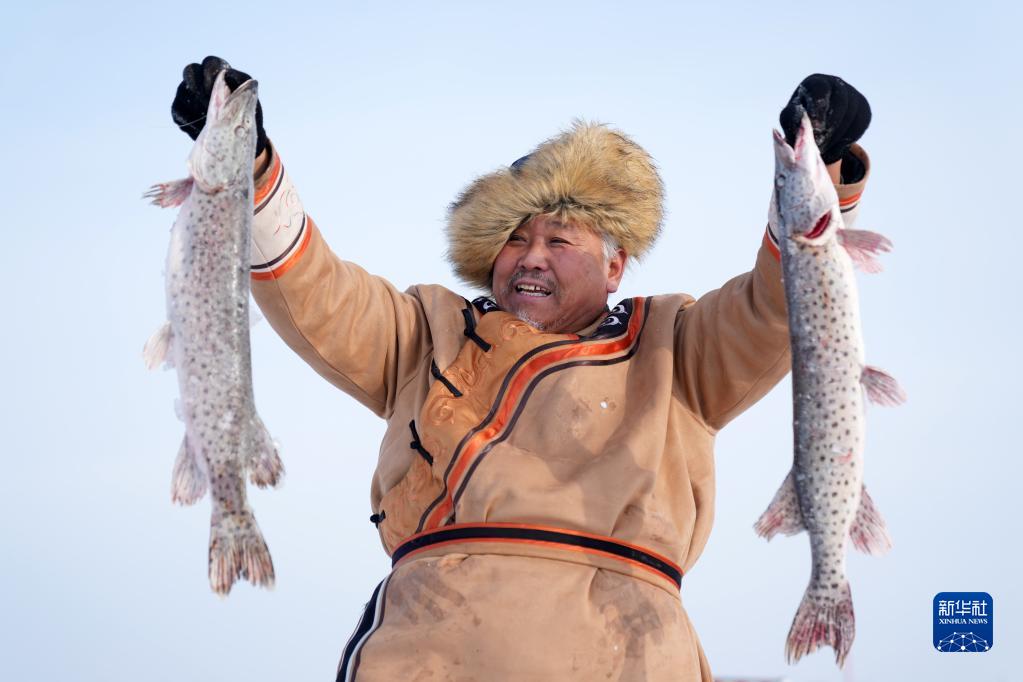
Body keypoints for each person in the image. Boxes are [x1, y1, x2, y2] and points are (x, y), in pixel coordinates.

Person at [172, 57, 873, 681]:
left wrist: (825, 166)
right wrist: (249, 164)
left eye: (559, 239)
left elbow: (781, 303)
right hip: (427, 652)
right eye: (513, 240)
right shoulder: (425, 332)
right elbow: (315, 292)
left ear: (614, 266)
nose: (531, 257)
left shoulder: (677, 347)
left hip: (629, 652)